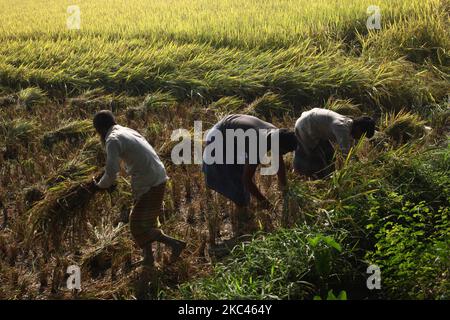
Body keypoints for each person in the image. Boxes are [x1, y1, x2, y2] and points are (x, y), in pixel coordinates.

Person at [92, 110, 186, 267]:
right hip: (155, 175)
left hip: (149, 180)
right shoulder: (125, 130)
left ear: (100, 129)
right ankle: (148, 257)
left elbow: (111, 171)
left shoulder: (112, 140)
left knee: (136, 224)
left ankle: (175, 244)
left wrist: (99, 185)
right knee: (146, 220)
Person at [202, 114, 298, 236]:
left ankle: (241, 209)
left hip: (232, 132)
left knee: (240, 169)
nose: (283, 154)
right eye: (284, 151)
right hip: (219, 136)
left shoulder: (275, 134)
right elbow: (246, 180)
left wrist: (285, 188)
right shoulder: (258, 144)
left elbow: (278, 163)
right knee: (234, 180)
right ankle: (240, 220)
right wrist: (264, 202)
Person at [294, 108, 375, 178]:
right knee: (314, 158)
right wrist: (355, 171)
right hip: (305, 127)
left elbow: (351, 150)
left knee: (329, 155)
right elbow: (346, 154)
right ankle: (300, 173)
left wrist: (357, 161)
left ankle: (328, 176)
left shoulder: (349, 124)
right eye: (362, 135)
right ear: (358, 127)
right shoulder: (342, 128)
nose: (360, 137)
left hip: (315, 126)